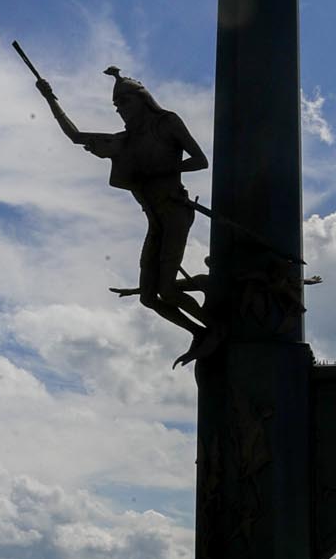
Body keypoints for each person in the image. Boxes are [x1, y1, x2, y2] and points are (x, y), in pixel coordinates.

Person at [33, 65, 211, 355]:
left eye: (123, 102)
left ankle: (218, 326)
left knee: (166, 289)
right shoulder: (123, 141)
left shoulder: (167, 123)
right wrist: (50, 98)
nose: (119, 110)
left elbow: (200, 160)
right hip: (154, 220)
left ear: (142, 99)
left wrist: (159, 170)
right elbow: (76, 136)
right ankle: (199, 332)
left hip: (175, 211)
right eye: (116, 106)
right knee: (149, 298)